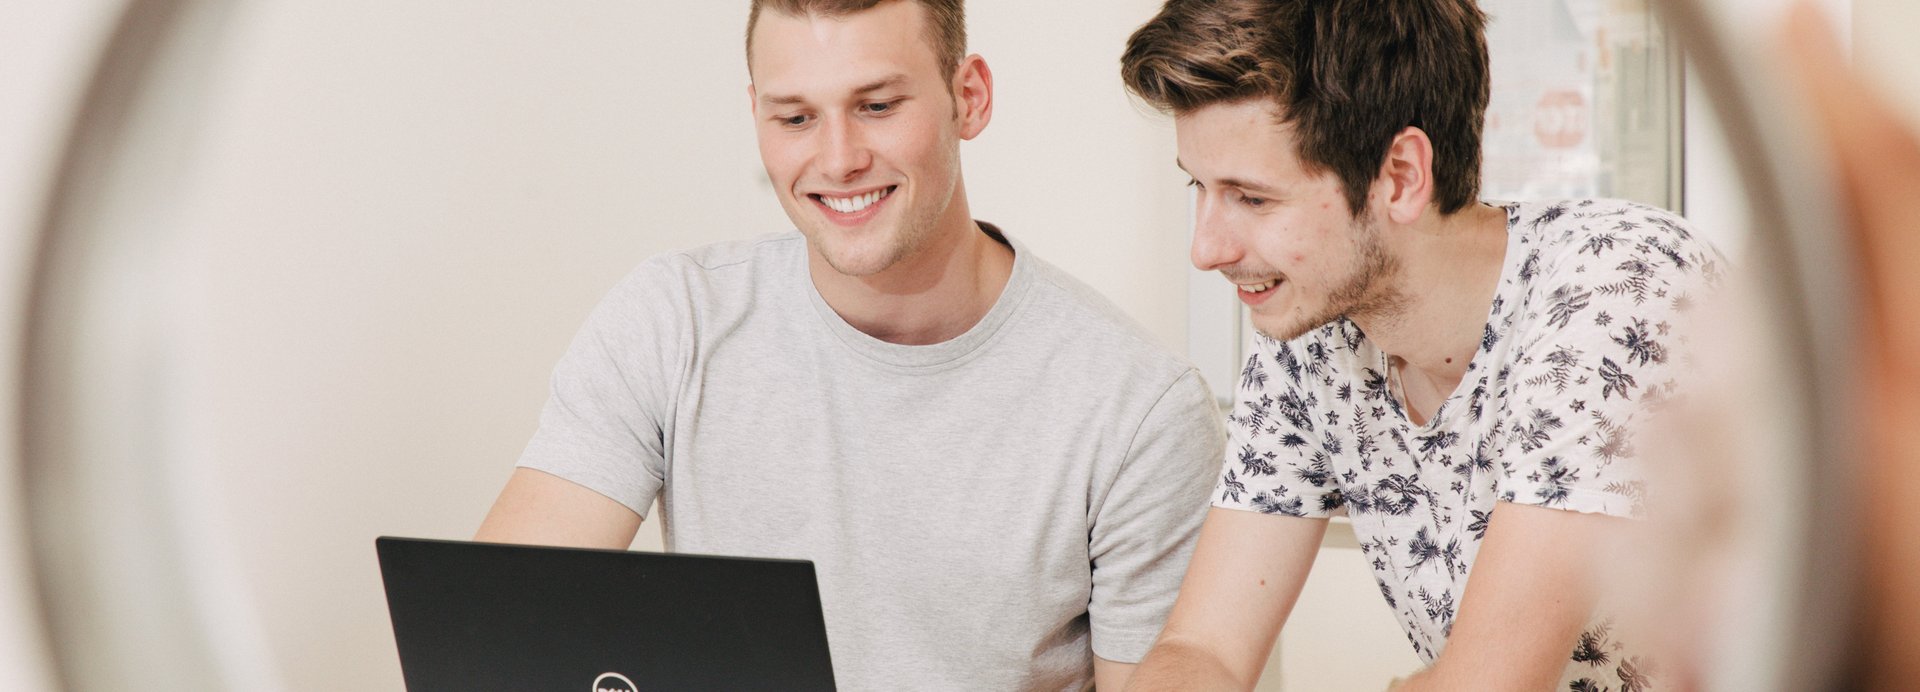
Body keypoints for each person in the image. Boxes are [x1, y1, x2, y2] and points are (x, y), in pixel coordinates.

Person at [473, 1, 1225, 690]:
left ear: (969, 97)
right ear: (756, 116)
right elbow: (497, 634)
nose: (838, 160)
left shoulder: (1138, 409)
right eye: (795, 118)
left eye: (876, 105)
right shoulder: (673, 321)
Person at [1116, 1, 1720, 689]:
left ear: (1400, 175)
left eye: (1252, 199)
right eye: (1199, 186)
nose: (1206, 249)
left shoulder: (1615, 288)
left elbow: (1487, 684)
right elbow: (1204, 650)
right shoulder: (1311, 334)